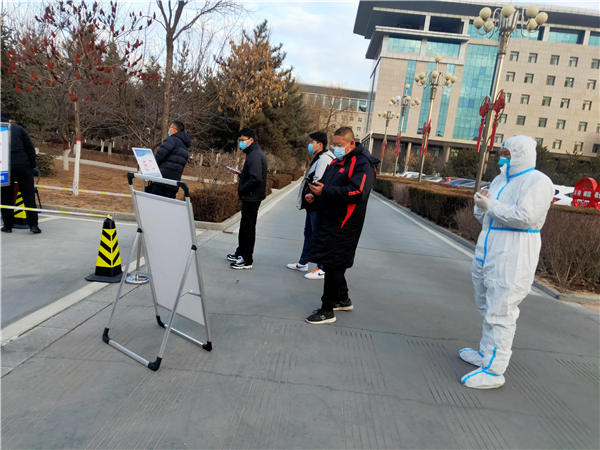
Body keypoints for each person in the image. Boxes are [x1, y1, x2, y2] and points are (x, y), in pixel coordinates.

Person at [460, 135, 553, 389]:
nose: (503, 159)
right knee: (487, 303)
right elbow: (486, 216)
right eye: (502, 153)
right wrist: (481, 205)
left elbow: (525, 217)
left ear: (522, 155)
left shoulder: (538, 181)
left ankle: (494, 369)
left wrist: (491, 205)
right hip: (489, 248)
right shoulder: (500, 180)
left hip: (514, 252)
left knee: (502, 309)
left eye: (508, 154)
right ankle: (485, 353)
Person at [304, 127, 379, 324]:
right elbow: (326, 184)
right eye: (334, 145)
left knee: (334, 263)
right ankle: (343, 299)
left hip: (345, 223)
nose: (336, 148)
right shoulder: (337, 161)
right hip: (329, 219)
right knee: (332, 263)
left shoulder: (363, 164)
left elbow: (357, 192)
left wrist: (325, 191)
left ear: (351, 143)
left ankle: (327, 310)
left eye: (339, 145)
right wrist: (315, 195)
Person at [287, 131, 335, 280]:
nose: (310, 144)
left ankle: (321, 267)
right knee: (308, 233)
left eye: (312, 142)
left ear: (319, 145)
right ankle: (303, 262)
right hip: (312, 203)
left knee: (317, 234)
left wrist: (312, 194)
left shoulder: (324, 159)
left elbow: (318, 180)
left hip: (317, 203)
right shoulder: (319, 157)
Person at [227, 128, 267, 270]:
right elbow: (252, 174)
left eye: (243, 140)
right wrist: (241, 174)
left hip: (252, 196)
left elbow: (256, 178)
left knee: (248, 228)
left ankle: (247, 259)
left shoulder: (254, 155)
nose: (241, 143)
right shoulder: (253, 153)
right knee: (244, 227)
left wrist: (242, 189)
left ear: (251, 140)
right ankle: (240, 252)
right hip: (251, 195)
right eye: (239, 140)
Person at [0, 108, 41, 234]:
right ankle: (33, 225)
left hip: (5, 167)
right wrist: (31, 166)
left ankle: (7, 226)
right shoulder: (19, 129)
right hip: (23, 165)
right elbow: (30, 149)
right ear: (10, 120)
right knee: (28, 195)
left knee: (6, 196)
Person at [151, 120, 191, 199]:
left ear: (174, 129)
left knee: (155, 204)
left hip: (162, 181)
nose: (169, 130)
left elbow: (159, 156)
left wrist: (152, 168)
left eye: (170, 128)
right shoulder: (185, 148)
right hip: (174, 184)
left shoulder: (171, 140)